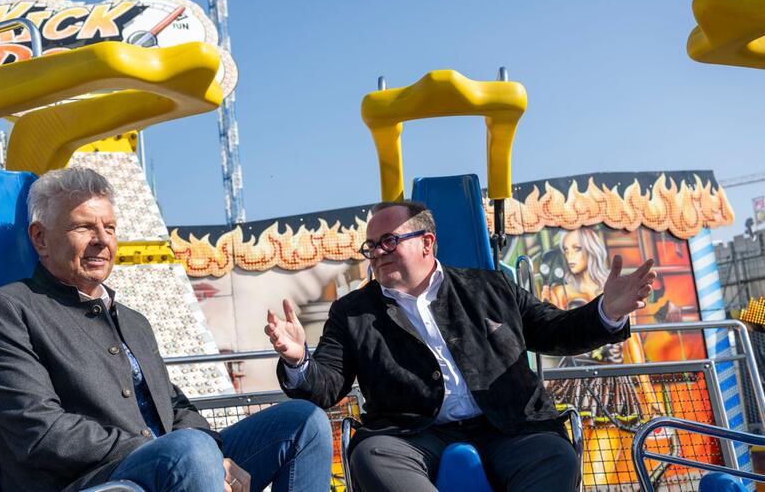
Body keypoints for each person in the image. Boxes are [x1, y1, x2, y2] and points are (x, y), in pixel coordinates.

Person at [0, 167, 332, 492]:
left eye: (109, 228)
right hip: (90, 480)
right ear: (40, 238)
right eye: (83, 227)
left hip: (177, 462)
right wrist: (165, 448)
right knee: (190, 450)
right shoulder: (4, 312)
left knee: (303, 421)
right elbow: (38, 431)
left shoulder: (133, 320)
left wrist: (213, 452)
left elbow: (173, 405)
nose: (102, 240)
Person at [264, 201, 656, 492]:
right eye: (371, 246)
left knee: (555, 458)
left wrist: (606, 312)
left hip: (509, 427)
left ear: (426, 243)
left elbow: (557, 331)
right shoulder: (352, 312)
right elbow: (327, 385)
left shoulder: (489, 288)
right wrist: (299, 359)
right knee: (371, 456)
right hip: (411, 436)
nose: (377, 253)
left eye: (388, 241)